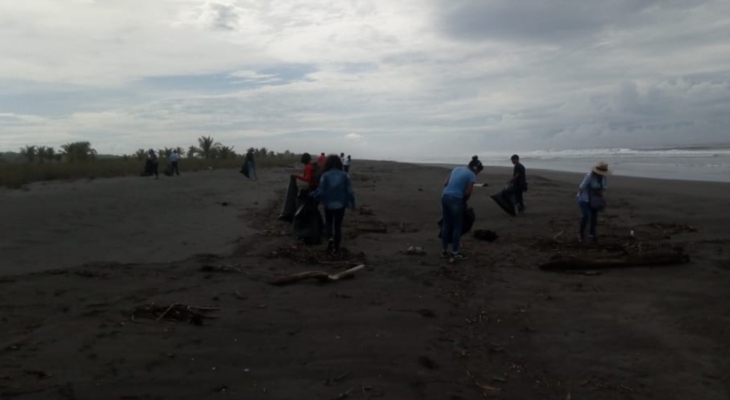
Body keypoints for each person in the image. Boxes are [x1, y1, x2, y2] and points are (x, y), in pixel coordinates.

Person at [310, 155, 355, 255]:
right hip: (340, 204)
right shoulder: (345, 175)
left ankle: (330, 239)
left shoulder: (325, 175)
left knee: (329, 223)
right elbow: (350, 191)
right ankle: (336, 248)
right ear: (339, 163)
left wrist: (312, 195)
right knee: (338, 226)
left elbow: (320, 191)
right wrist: (352, 203)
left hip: (328, 204)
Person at [440, 156, 483, 260]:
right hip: (456, 200)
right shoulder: (471, 175)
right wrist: (463, 201)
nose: (477, 174)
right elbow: (468, 192)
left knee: (446, 223)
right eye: (478, 172)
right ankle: (455, 252)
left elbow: (445, 183)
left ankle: (444, 251)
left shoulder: (456, 169)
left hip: (444, 197)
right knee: (457, 226)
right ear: (475, 168)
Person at [577, 161, 611, 242]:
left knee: (594, 217)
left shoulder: (603, 178)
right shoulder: (590, 176)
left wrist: (600, 192)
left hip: (595, 199)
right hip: (584, 198)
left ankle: (592, 234)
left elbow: (605, 187)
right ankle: (581, 234)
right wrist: (580, 197)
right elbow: (581, 187)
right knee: (586, 215)